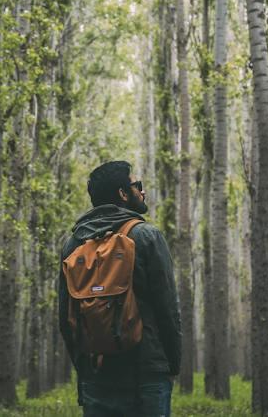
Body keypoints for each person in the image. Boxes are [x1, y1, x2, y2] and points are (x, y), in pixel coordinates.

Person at [58, 160, 182, 417]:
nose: (142, 191)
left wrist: (84, 371)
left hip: (97, 373)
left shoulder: (73, 245)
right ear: (123, 194)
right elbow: (168, 310)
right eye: (137, 185)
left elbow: (65, 319)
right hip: (147, 373)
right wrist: (170, 365)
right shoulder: (146, 236)